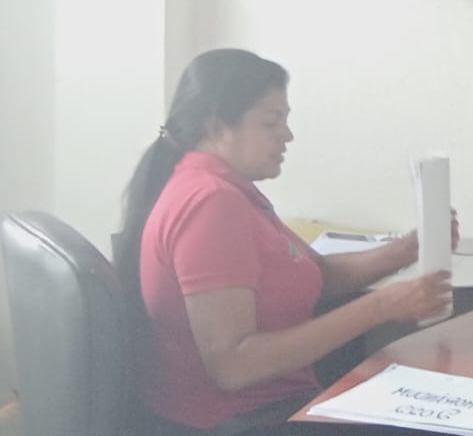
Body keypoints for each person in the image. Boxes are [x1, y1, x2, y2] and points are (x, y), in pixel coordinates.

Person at [113, 49, 454, 435]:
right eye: (270, 122)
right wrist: (381, 306)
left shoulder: (230, 190)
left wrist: (406, 250)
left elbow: (318, 276)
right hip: (240, 422)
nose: (287, 135)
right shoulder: (211, 203)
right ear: (217, 127)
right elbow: (233, 365)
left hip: (270, 409)